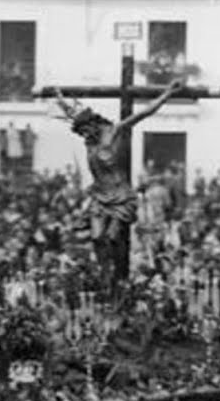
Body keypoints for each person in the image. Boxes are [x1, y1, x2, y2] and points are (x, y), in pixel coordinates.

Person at [55, 81, 184, 281]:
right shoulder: (90, 142)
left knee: (114, 237)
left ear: (92, 124)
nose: (84, 136)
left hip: (121, 196)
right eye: (81, 133)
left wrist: (167, 93)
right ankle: (104, 273)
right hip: (99, 196)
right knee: (97, 237)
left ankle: (119, 275)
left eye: (85, 130)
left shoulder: (114, 132)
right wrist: (59, 97)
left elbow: (144, 113)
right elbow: (72, 112)